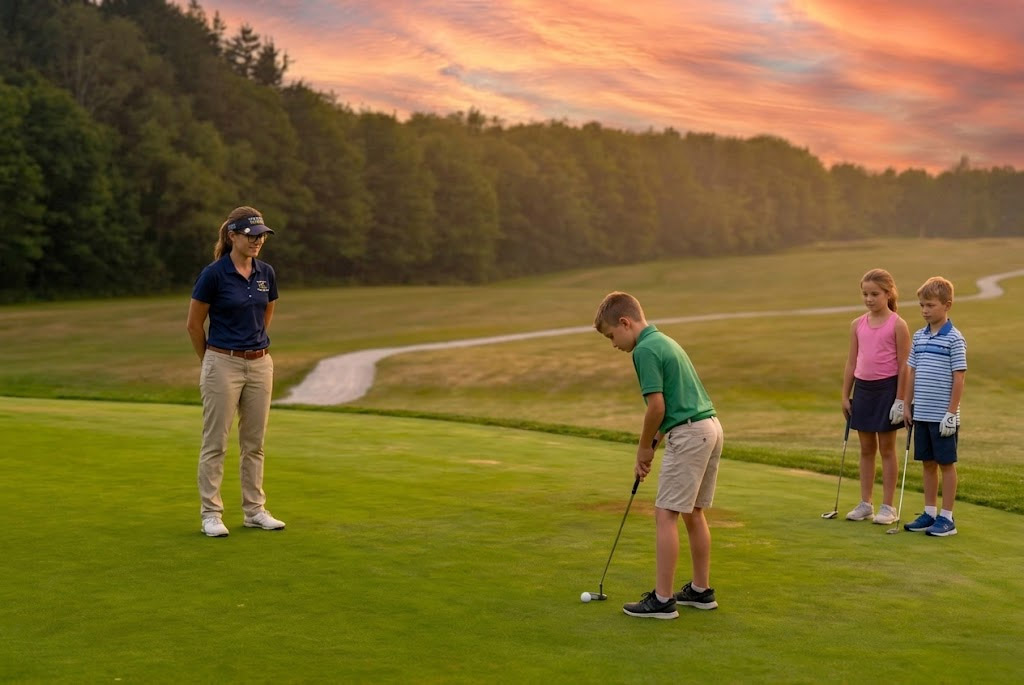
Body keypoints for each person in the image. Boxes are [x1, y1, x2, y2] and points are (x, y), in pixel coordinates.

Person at [593, 292, 724, 619]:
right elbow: (675, 404)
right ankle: (700, 590)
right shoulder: (665, 341)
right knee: (694, 512)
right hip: (710, 427)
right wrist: (652, 448)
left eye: (612, 335)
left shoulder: (645, 350)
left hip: (691, 432)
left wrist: (642, 446)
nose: (613, 344)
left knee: (666, 513)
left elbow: (657, 406)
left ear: (625, 323)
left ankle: (663, 600)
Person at [186, 207, 286, 538]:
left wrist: (252, 347)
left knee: (254, 442)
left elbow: (265, 314)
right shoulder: (213, 274)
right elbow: (193, 324)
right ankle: (211, 514)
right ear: (232, 236)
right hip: (222, 362)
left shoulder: (266, 273)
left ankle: (254, 510)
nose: (258, 241)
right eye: (251, 235)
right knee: (216, 441)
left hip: (260, 362)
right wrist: (211, 360)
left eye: (261, 236)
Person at [840, 268, 911, 525]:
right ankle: (865, 503)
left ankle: (888, 507)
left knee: (887, 449)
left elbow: (905, 365)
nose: (869, 299)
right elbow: (851, 362)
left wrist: (901, 399)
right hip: (864, 391)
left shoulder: (898, 324)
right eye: (865, 294)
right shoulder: (857, 324)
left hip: (887, 391)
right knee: (867, 449)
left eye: (874, 294)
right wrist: (845, 395)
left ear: (888, 293)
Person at [901, 277, 966, 537]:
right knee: (927, 462)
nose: (925, 310)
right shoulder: (918, 336)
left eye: (930, 305)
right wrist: (906, 405)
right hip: (922, 412)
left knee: (946, 463)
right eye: (921, 305)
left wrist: (951, 413)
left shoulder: (955, 339)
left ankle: (947, 518)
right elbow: (912, 372)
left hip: (943, 416)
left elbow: (959, 377)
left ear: (947, 305)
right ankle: (929, 513)